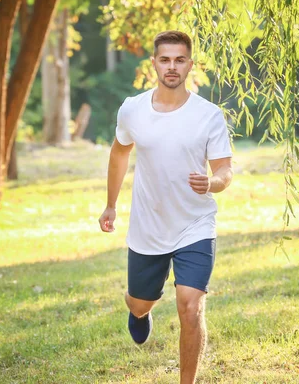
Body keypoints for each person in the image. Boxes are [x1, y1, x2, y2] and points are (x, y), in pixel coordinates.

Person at [98, 30, 233, 384]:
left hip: (195, 224)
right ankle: (139, 310)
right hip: (149, 226)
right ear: (154, 63)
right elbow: (119, 152)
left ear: (190, 64)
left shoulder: (208, 115)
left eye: (179, 59)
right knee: (140, 303)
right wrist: (111, 205)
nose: (172, 66)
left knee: (190, 307)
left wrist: (213, 183)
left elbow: (224, 170)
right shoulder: (133, 110)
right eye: (165, 59)